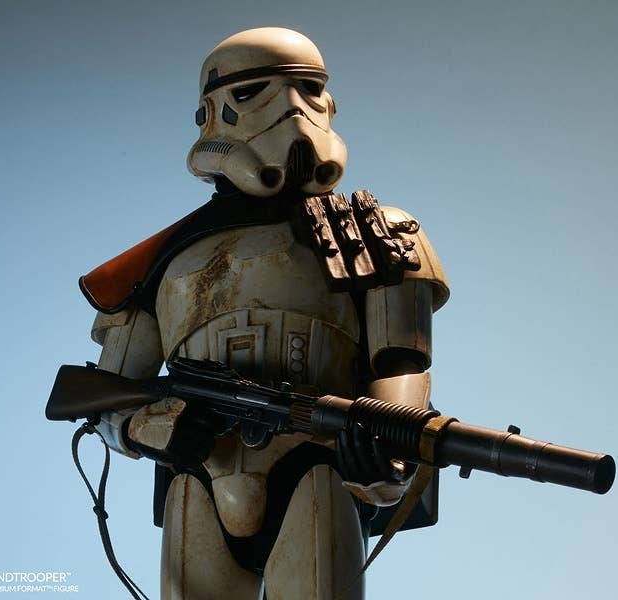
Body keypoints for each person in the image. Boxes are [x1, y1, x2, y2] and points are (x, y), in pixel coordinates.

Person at [80, 27, 449, 599]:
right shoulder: (162, 260)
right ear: (212, 114)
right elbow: (106, 396)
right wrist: (154, 426)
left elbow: (401, 362)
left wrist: (387, 444)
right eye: (256, 91)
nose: (293, 109)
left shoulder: (371, 233)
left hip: (319, 464)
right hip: (200, 471)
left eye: (308, 89)